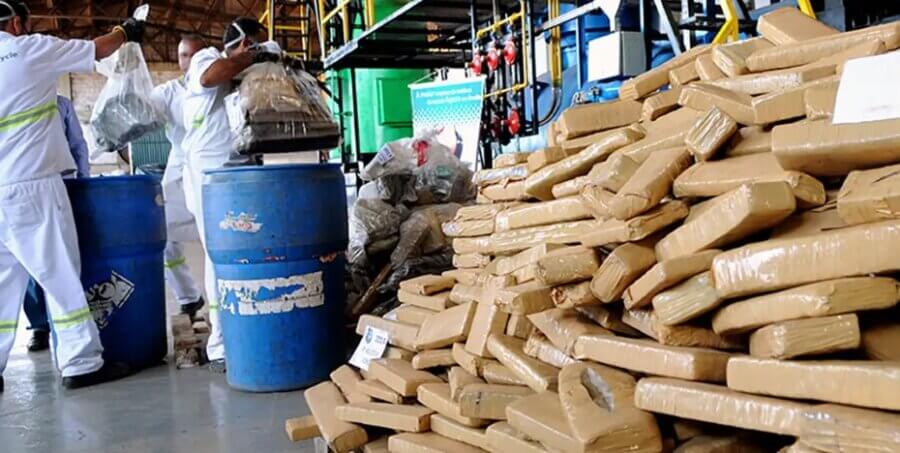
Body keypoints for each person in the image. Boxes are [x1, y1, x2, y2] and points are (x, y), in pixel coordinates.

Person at [0, 0, 144, 391]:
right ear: (16, 22)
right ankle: (81, 363)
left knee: (2, 284)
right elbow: (96, 49)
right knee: (60, 272)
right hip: (32, 183)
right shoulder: (28, 49)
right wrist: (126, 32)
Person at [181, 17, 280, 373]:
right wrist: (254, 57)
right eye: (252, 45)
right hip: (208, 178)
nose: (255, 52)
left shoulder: (237, 71)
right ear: (241, 43)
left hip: (233, 174)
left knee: (238, 253)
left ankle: (243, 327)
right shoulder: (205, 59)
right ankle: (220, 343)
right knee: (219, 255)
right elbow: (212, 77)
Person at [23, 94, 91, 352]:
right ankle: (40, 325)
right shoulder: (17, 95)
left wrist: (82, 179)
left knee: (63, 256)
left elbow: (78, 145)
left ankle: (71, 327)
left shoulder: (61, 104)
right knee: (31, 261)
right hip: (25, 183)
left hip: (62, 183)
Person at [150, 35, 206, 320]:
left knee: (217, 237)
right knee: (160, 233)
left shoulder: (218, 86)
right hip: (179, 166)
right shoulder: (168, 92)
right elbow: (146, 111)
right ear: (178, 59)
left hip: (212, 166)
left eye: (196, 55)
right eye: (184, 55)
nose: (190, 61)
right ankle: (188, 296)